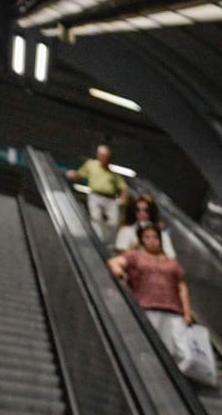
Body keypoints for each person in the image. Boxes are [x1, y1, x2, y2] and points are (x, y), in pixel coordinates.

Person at [106, 224, 190, 357]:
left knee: (178, 352)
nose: (151, 240)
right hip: (146, 306)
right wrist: (120, 272)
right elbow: (114, 262)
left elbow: (181, 286)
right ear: (142, 239)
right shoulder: (135, 256)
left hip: (173, 310)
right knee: (148, 348)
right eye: (147, 237)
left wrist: (187, 313)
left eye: (155, 237)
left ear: (160, 239)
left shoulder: (172, 262)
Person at [66, 144, 128, 245]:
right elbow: (80, 175)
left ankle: (109, 243)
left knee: (114, 221)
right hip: (95, 196)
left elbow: (123, 187)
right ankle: (98, 242)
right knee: (96, 219)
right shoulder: (91, 164)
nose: (104, 158)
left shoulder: (114, 174)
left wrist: (123, 197)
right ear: (98, 155)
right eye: (102, 155)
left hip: (111, 199)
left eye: (107, 156)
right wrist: (74, 175)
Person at [112, 193, 173, 258]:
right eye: (138, 210)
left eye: (146, 210)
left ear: (151, 211)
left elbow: (171, 257)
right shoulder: (126, 231)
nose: (142, 213)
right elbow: (119, 255)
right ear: (133, 212)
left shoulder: (162, 234)